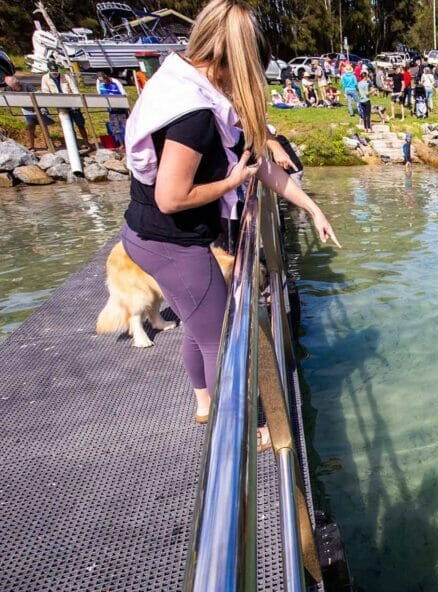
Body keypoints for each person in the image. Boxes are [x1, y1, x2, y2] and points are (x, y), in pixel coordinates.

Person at [122, 0, 340, 433]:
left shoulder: (184, 83)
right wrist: (231, 181)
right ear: (235, 61)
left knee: (195, 326)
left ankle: (204, 404)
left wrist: (313, 208)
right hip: (172, 242)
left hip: (147, 235)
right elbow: (172, 196)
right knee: (224, 341)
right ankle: (243, 428)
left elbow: (268, 167)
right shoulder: (195, 115)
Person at [40, 64, 90, 148]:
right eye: (53, 72)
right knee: (68, 124)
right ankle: (74, 143)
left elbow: (74, 89)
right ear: (49, 70)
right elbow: (45, 91)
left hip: (72, 103)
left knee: (80, 124)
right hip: (60, 104)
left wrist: (77, 101)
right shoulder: (45, 78)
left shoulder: (65, 76)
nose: (55, 73)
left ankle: (86, 142)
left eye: (56, 71)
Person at [3, 75, 54, 150]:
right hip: (27, 110)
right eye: (11, 86)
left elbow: (38, 94)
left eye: (13, 85)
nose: (12, 87)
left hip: (38, 108)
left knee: (43, 127)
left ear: (16, 83)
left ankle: (49, 145)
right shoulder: (8, 88)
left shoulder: (27, 86)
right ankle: (32, 146)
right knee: (30, 128)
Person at [96, 71, 129, 148]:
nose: (104, 83)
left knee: (125, 125)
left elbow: (124, 93)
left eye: (105, 80)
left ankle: (128, 141)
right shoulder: (99, 83)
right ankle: (121, 143)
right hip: (111, 108)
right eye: (102, 81)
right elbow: (99, 94)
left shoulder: (115, 82)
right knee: (115, 127)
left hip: (121, 107)